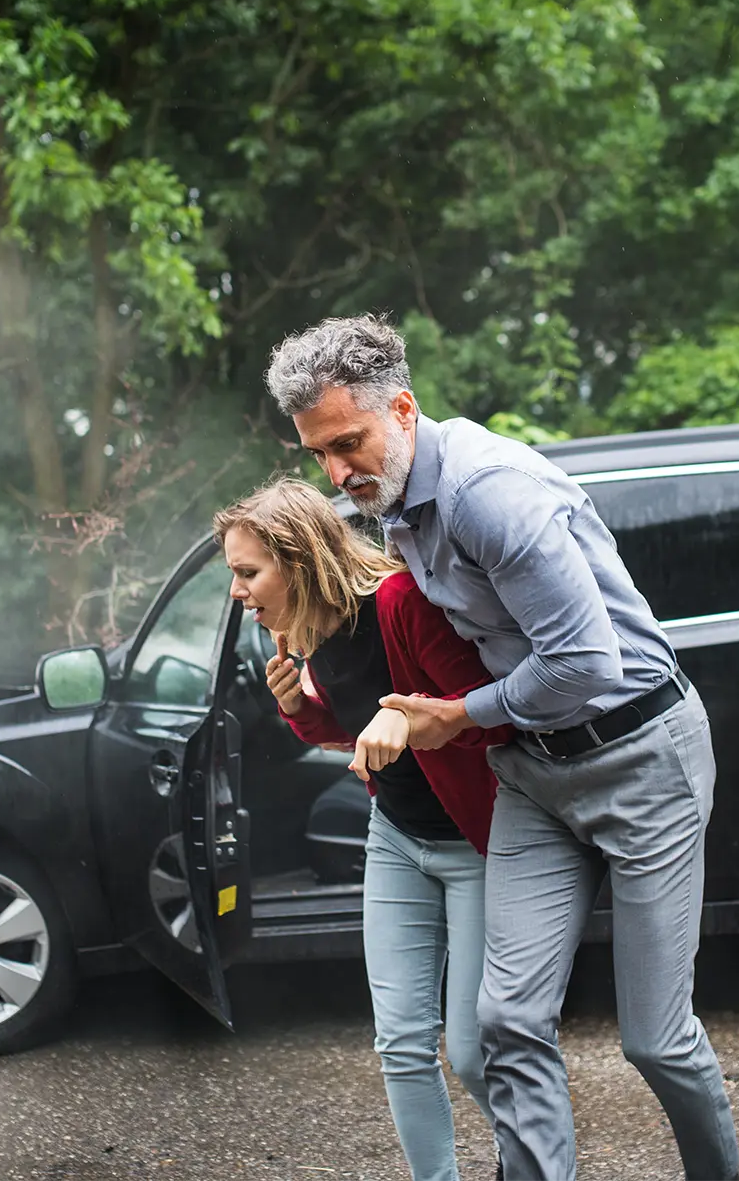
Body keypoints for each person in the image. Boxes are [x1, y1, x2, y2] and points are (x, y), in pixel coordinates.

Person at [263, 316, 739, 1181]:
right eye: (319, 454)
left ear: (402, 410)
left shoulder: (488, 492)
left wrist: (453, 715)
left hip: (640, 755)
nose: (336, 472)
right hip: (533, 771)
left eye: (347, 443)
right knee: (506, 1024)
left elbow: (587, 663)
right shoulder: (399, 507)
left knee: (657, 1039)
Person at [215, 478, 513, 1181]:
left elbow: (490, 715)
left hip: (474, 846)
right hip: (397, 839)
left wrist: (408, 715)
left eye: (248, 572)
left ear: (297, 561)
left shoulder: (400, 603)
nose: (237, 591)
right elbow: (358, 734)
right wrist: (301, 711)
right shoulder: (305, 633)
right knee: (402, 1045)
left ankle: (533, 1159)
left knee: (474, 1051)